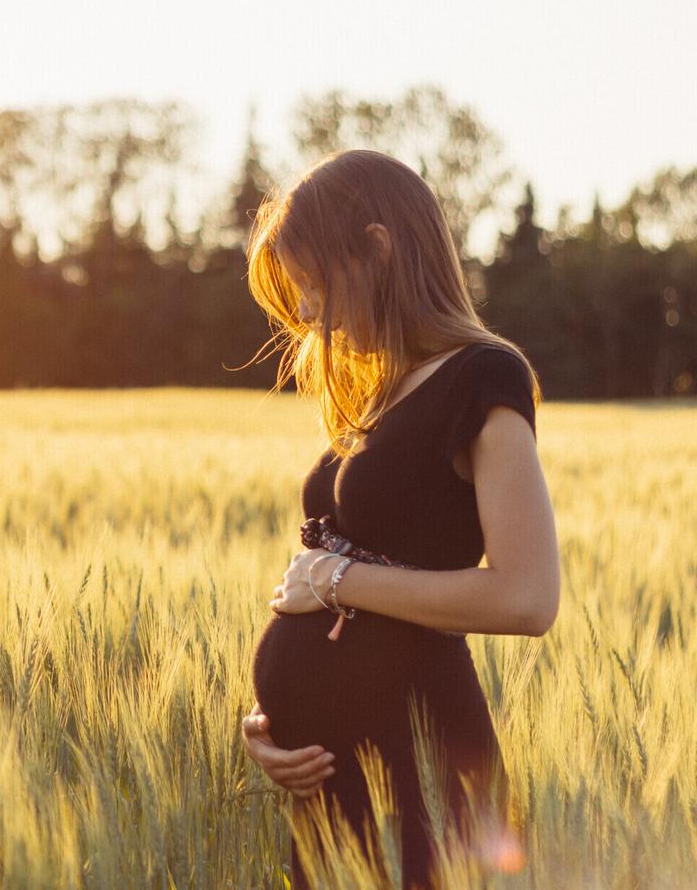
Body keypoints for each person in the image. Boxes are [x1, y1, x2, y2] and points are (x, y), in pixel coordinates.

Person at [236, 149, 561, 888]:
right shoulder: (380, 392)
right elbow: (346, 592)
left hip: (420, 775)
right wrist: (269, 725)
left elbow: (527, 597)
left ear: (378, 250)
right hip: (331, 791)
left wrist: (338, 581)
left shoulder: (484, 376)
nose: (310, 314)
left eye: (314, 284)